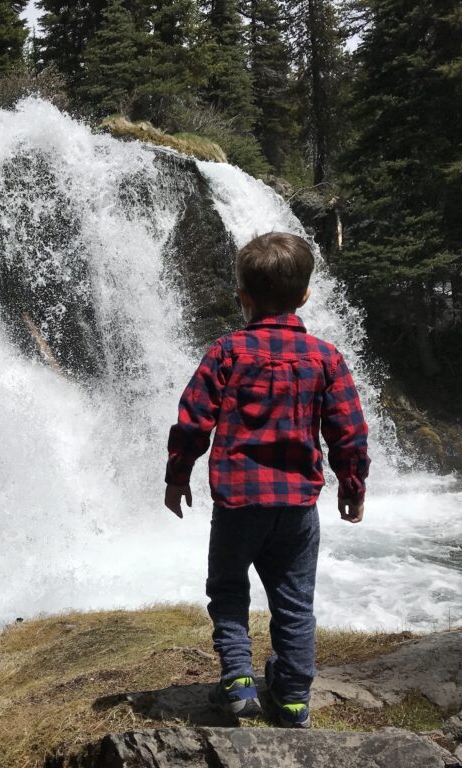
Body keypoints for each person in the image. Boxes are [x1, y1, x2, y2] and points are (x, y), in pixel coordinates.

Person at [163, 231, 370, 728]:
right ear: (304, 296)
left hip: (237, 503)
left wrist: (177, 475)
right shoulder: (324, 356)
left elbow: (193, 419)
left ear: (243, 298)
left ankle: (237, 681)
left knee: (229, 589)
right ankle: (294, 696)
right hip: (297, 506)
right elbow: (349, 431)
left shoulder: (226, 352)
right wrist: (352, 487)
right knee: (294, 601)